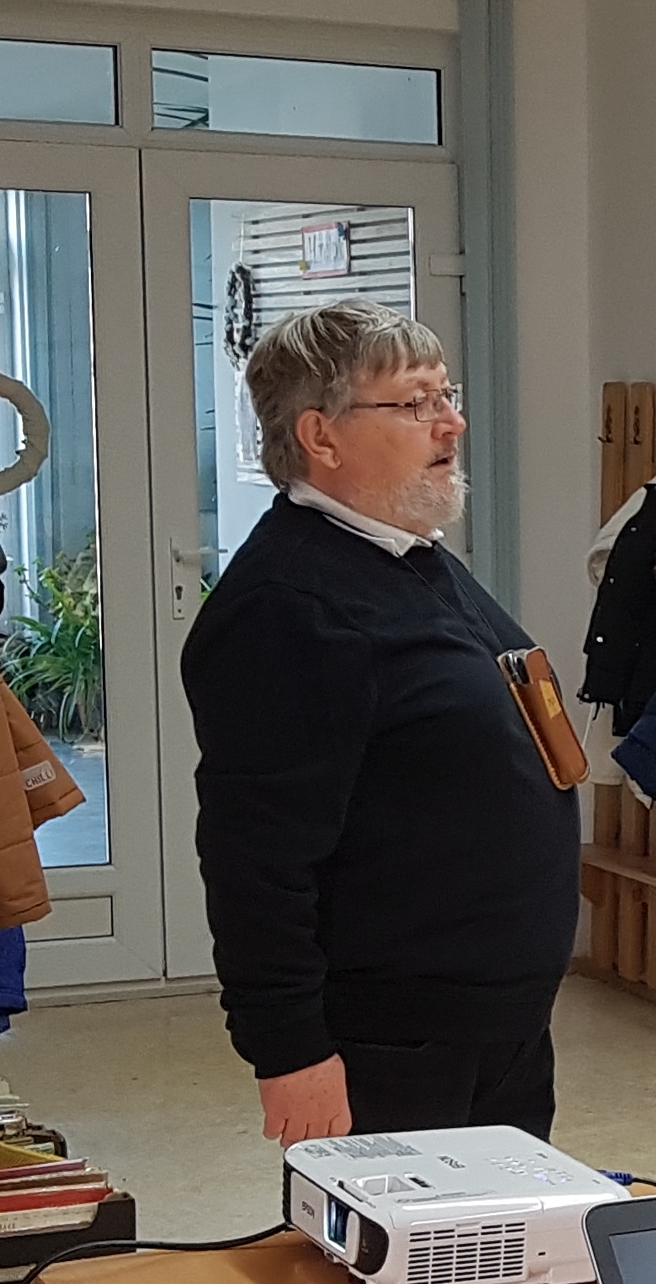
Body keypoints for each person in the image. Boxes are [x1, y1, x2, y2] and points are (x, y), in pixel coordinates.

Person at [180, 300, 581, 1144]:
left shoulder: (405, 555)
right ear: (321, 437)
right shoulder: (288, 604)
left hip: (491, 1024)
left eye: (447, 395)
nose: (452, 423)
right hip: (393, 1040)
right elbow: (256, 859)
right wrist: (289, 1051)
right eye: (416, 402)